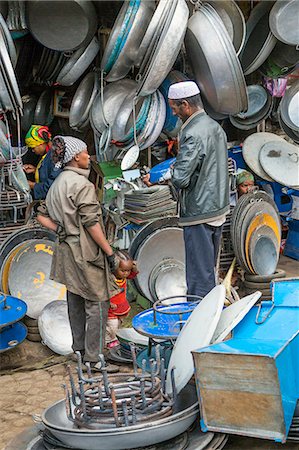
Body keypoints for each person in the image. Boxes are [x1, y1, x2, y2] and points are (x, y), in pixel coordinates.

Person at [37, 135, 120, 372]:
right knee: (97, 302)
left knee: (75, 300)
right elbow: (92, 223)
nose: (88, 157)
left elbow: (40, 215)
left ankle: (80, 352)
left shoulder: (57, 183)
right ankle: (95, 359)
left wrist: (60, 228)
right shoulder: (82, 185)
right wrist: (110, 252)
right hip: (84, 251)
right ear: (76, 157)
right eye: (85, 153)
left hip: (65, 249)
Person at [168, 81, 230, 299]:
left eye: (174, 108)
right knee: (208, 268)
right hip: (217, 207)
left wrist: (171, 171)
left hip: (199, 211)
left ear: (185, 104)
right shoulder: (215, 127)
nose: (173, 113)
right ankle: (209, 310)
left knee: (198, 275)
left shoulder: (193, 132)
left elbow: (181, 178)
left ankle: (198, 318)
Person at [106, 250, 138, 349]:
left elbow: (134, 274)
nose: (126, 273)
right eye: (123, 270)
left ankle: (114, 337)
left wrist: (134, 267)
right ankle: (108, 341)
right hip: (111, 308)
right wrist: (109, 301)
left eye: (128, 270)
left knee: (118, 324)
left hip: (121, 306)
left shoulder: (123, 277)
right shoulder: (110, 279)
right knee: (112, 325)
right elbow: (103, 291)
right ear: (115, 268)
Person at [23, 125, 61, 200]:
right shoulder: (48, 154)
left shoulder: (55, 157)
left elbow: (51, 186)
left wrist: (32, 185)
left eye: (33, 147)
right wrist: (36, 170)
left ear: (41, 143)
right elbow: (48, 172)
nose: (33, 151)